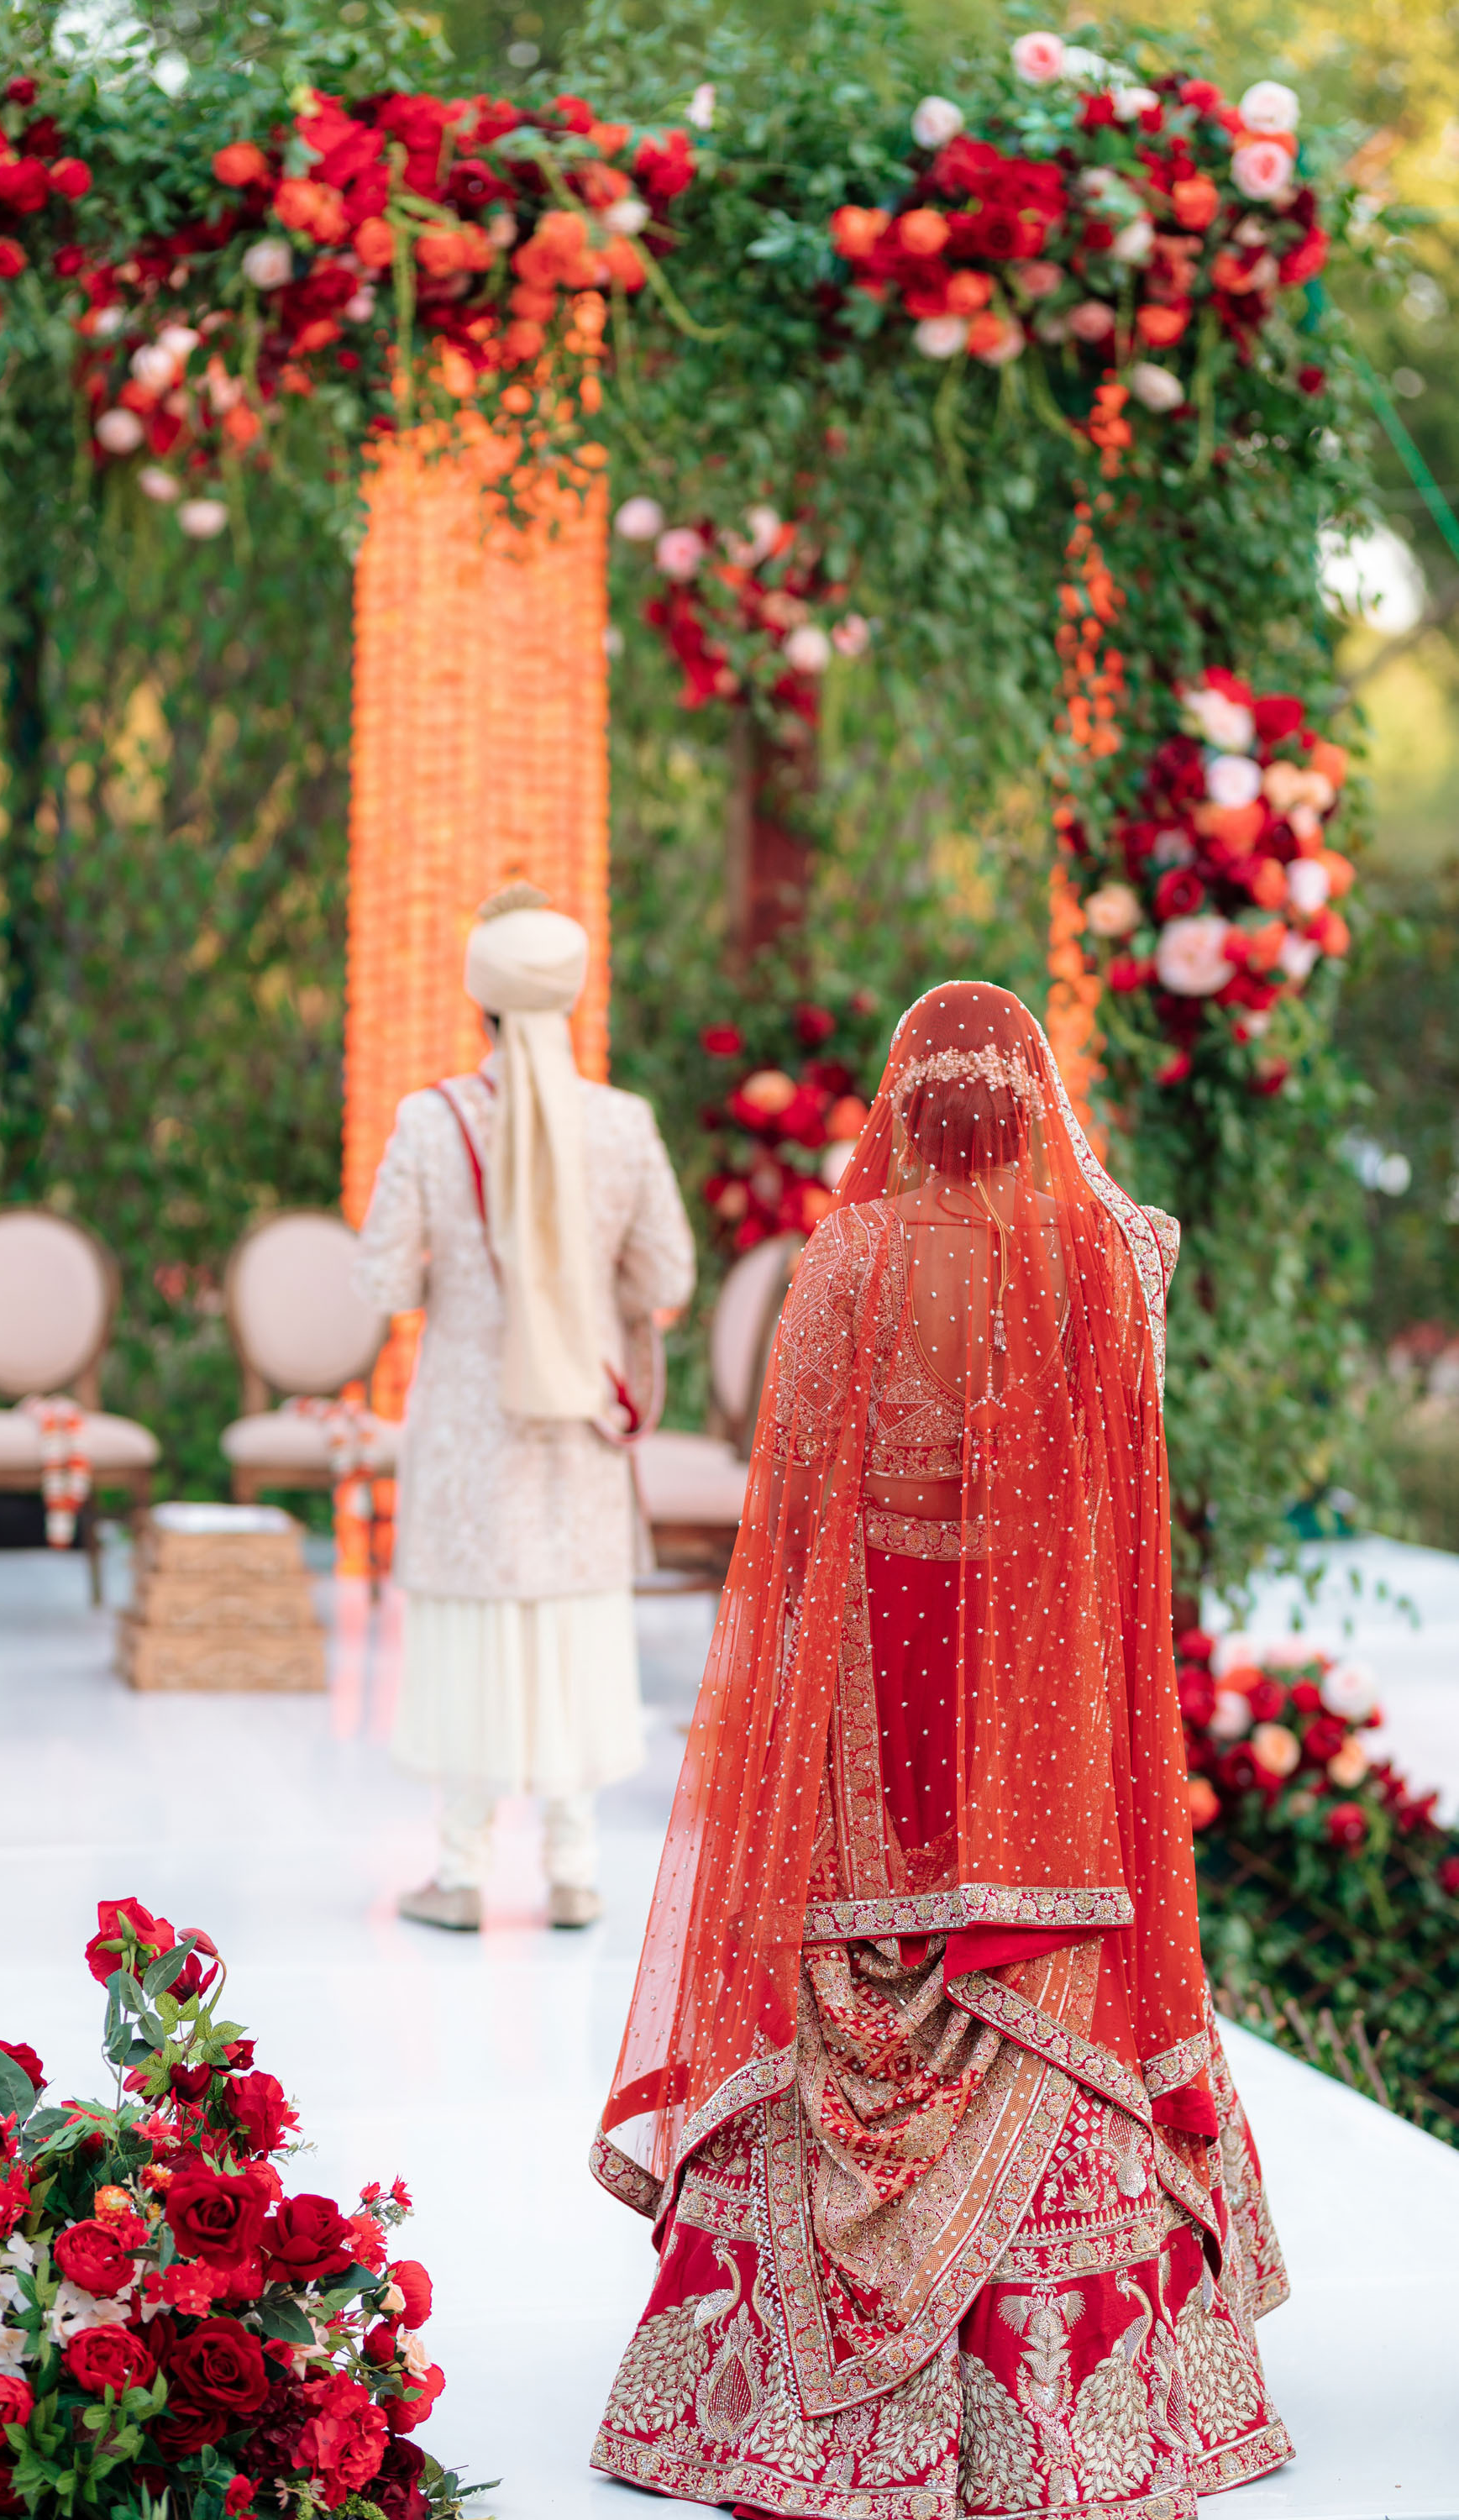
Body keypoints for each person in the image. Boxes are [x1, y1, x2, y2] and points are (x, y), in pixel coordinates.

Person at [592, 980, 1291, 2513]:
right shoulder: (1103, 1255)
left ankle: (787, 2396)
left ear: (895, 1113)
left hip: (873, 1686)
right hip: (1037, 1711)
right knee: (1034, 1967)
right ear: (1036, 1111)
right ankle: (1061, 2412)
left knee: (854, 1937)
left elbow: (785, 1530)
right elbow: (1125, 1436)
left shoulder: (844, 1259)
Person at [356, 884, 695, 1932]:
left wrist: (455, 1275)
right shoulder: (623, 1125)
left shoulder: (430, 1119)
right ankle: (575, 1869)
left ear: (482, 1001)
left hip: (468, 1424)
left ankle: (459, 1873)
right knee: (573, 1629)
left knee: (470, 1631)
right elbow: (666, 1274)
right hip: (579, 1423)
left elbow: (384, 1283)